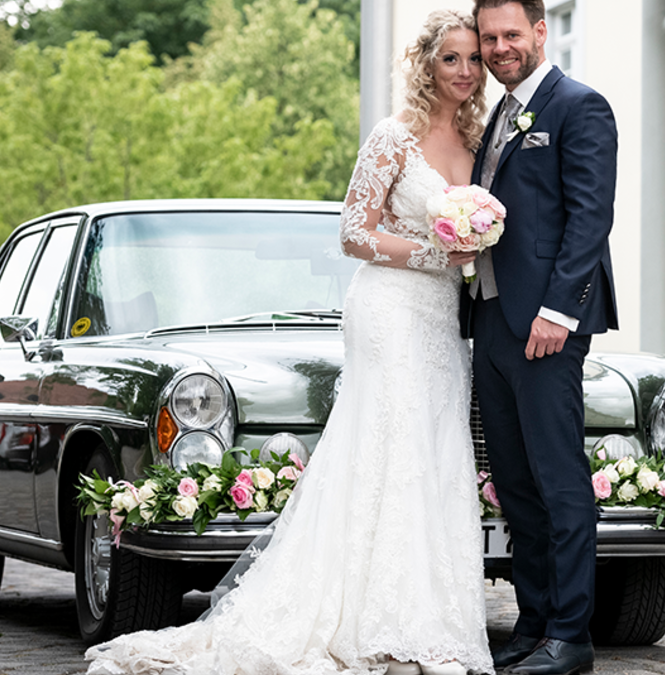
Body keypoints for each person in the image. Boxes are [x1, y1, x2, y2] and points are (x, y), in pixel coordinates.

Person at [85, 10, 494, 675]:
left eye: (473, 60)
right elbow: (353, 232)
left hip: (442, 318)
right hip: (390, 307)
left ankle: (433, 621)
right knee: (392, 445)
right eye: (451, 58)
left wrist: (471, 243)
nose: (465, 71)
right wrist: (432, 252)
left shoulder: (480, 140)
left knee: (437, 448)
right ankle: (379, 624)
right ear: (427, 63)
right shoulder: (394, 137)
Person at [461, 1, 618, 674]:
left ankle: (571, 634)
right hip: (492, 320)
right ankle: (532, 621)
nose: (500, 48)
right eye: (490, 37)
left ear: (541, 31)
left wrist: (561, 309)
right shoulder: (496, 115)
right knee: (515, 481)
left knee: (559, 480)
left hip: (548, 324)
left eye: (511, 35)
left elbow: (589, 216)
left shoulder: (578, 105)